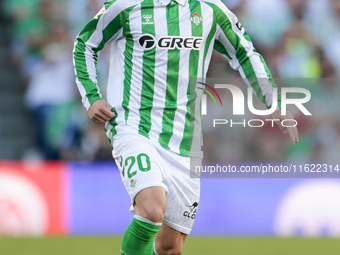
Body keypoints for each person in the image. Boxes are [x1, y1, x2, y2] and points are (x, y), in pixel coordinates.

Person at [73, 0, 299, 254]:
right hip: (133, 126)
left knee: (170, 248)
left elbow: (245, 52)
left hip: (184, 139)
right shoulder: (126, 6)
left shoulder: (210, 9)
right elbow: (84, 43)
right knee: (151, 210)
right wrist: (92, 97)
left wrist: (274, 101)